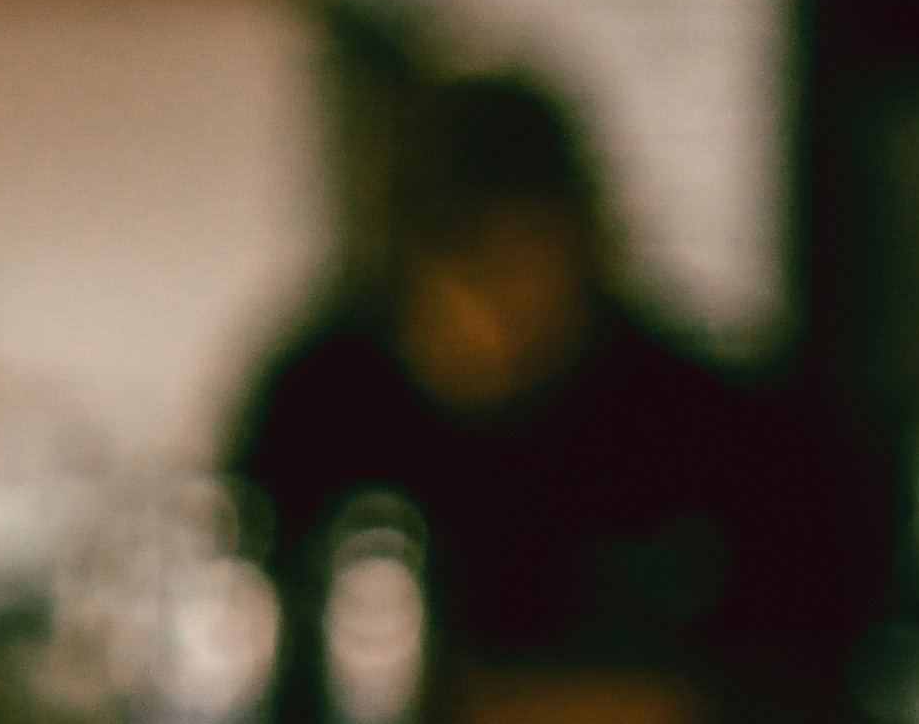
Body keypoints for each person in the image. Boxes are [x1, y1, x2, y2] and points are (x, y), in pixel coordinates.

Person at [224, 70, 876, 724]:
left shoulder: (726, 432)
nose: (494, 310)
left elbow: (823, 675)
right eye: (464, 265)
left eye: (523, 260)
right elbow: (230, 649)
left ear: (590, 243)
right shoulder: (318, 408)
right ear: (400, 267)